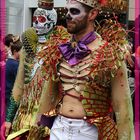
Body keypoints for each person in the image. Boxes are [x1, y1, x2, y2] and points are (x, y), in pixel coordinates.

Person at [37, 0, 134, 139]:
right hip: (58, 128)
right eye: (67, 11)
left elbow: (122, 106)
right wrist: (38, 128)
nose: (68, 15)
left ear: (92, 14)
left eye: (75, 11)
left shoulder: (110, 54)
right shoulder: (59, 50)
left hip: (90, 132)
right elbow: (47, 95)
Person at [3, 0, 70, 139]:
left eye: (41, 19)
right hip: (22, 117)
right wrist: (9, 118)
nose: (36, 23)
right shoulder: (27, 49)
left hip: (46, 119)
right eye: (34, 19)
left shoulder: (62, 49)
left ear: (52, 21)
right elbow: (18, 86)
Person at [5, 41, 22, 111]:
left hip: (6, 93)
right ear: (15, 51)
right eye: (21, 52)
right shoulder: (15, 65)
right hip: (11, 95)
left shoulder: (8, 61)